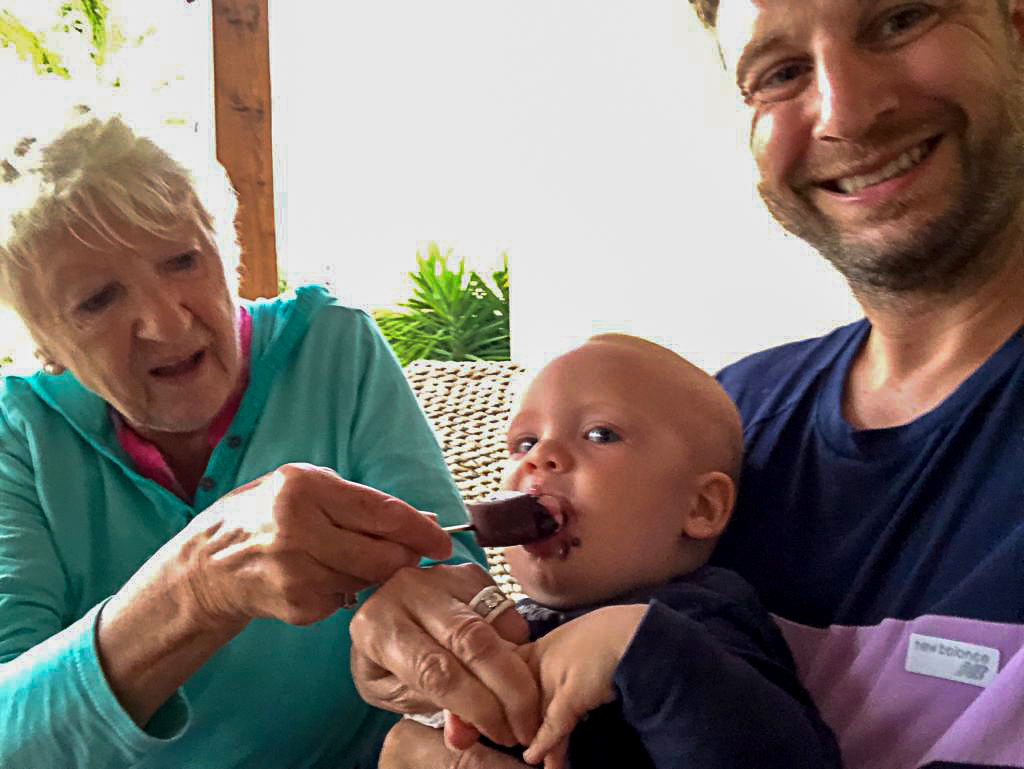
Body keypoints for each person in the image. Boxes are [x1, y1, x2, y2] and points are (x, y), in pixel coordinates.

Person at [349, 1, 1024, 767]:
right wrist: (433, 649)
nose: (844, 112)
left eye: (900, 19)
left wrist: (648, 654)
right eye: (781, 72)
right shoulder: (734, 415)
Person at [0, 108, 484, 768]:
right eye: (97, 300)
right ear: (44, 343)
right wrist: (197, 587)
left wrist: (420, 653)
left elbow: (448, 569)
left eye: (183, 260)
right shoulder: (21, 435)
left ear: (227, 254)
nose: (167, 323)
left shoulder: (331, 349)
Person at [392, 333, 842, 769]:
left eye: (600, 434)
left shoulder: (701, 621)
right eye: (525, 443)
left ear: (700, 507)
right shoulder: (510, 625)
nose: (540, 455)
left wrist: (640, 647)